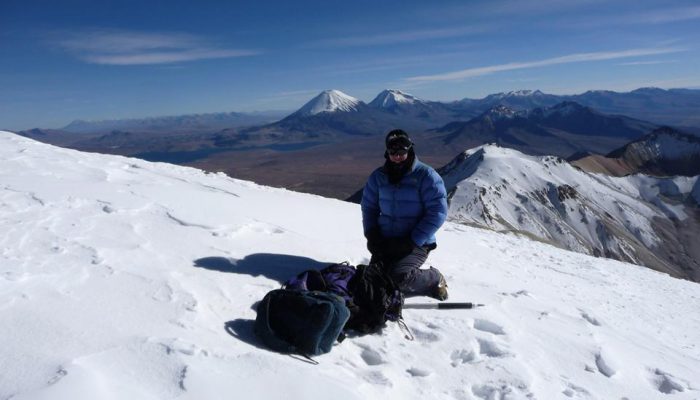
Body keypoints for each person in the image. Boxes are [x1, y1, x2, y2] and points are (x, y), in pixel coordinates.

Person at [361, 129, 449, 300]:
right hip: (386, 241)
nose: (398, 156)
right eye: (393, 152)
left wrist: (412, 241)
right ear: (387, 152)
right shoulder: (378, 177)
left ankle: (434, 278)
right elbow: (369, 208)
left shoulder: (426, 176)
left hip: (416, 243)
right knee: (373, 279)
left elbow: (437, 212)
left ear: (410, 150)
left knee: (398, 277)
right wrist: (372, 234)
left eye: (402, 151)